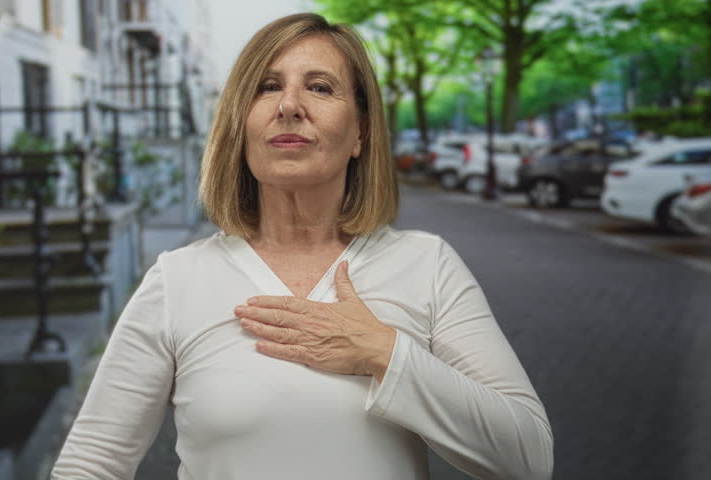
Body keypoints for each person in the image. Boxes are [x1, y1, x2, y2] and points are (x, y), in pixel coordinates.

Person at [51, 13, 553, 480]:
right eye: (267, 87)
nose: (289, 105)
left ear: (360, 131)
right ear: (240, 126)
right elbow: (90, 465)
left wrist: (384, 353)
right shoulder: (178, 279)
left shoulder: (427, 265)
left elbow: (528, 457)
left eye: (320, 87)